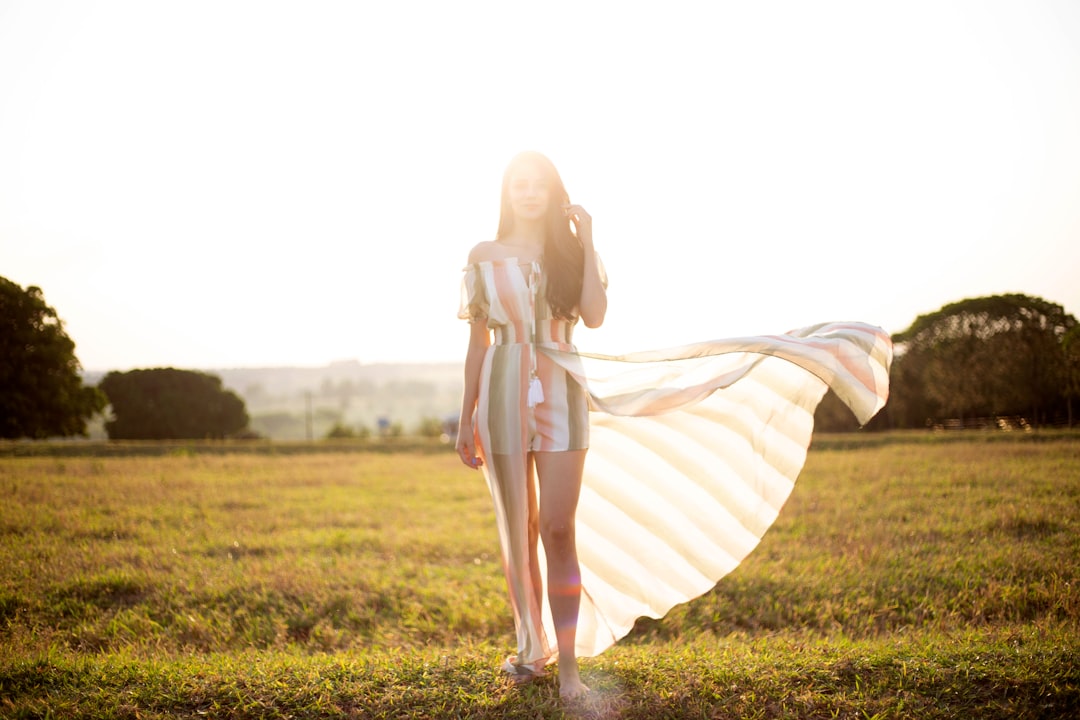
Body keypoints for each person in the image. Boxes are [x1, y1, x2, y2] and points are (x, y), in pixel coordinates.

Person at [457, 151, 892, 701]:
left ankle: (568, 668)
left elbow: (593, 316)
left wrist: (586, 237)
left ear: (552, 192)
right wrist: (466, 412)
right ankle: (531, 649)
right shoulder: (483, 255)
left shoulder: (569, 251)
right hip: (499, 391)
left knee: (557, 531)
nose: (527, 192)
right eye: (517, 183)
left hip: (562, 387)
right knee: (518, 528)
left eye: (537, 184)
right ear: (506, 191)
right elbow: (476, 343)